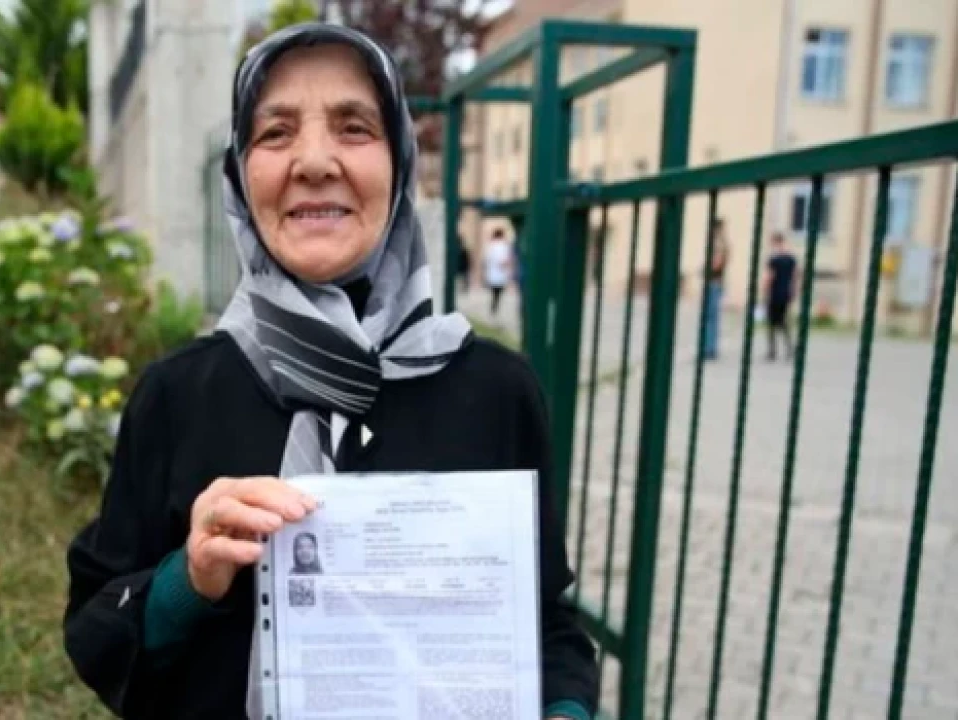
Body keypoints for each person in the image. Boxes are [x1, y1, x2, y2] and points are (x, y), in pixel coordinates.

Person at [63, 23, 598, 720]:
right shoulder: (176, 397)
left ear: (400, 163)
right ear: (240, 174)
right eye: (276, 132)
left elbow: (545, 624)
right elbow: (96, 634)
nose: (314, 161)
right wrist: (187, 581)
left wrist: (565, 709)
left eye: (354, 128)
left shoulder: (496, 392)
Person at [764, 232, 799, 362]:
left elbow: (770, 276)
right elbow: (796, 276)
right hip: (786, 293)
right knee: (783, 321)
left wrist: (764, 290)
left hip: (775, 293)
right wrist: (794, 291)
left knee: (772, 322)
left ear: (775, 242)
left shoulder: (774, 259)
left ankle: (772, 351)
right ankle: (790, 348)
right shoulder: (790, 258)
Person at [703, 217, 730, 360]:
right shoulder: (723, 242)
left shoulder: (718, 243)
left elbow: (717, 263)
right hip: (717, 282)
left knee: (710, 317)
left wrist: (705, 269)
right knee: (712, 317)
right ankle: (710, 347)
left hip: (713, 282)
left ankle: (709, 348)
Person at [483, 227, 514, 317]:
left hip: (493, 273)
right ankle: (494, 308)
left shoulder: (491, 246)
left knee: (494, 293)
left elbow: (487, 260)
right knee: (498, 293)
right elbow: (506, 260)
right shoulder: (503, 246)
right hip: (500, 274)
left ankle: (493, 308)